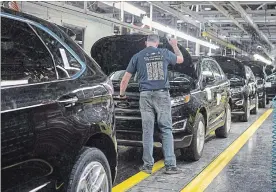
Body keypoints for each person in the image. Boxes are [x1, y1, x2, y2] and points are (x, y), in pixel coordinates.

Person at [119, 34, 184, 174]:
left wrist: (122, 94)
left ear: (145, 43)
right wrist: (174, 44)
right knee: (166, 129)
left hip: (145, 95)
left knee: (147, 131)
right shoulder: (164, 53)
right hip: (162, 94)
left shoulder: (137, 56)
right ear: (158, 43)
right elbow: (181, 59)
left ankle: (147, 166)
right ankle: (171, 166)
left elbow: (125, 79)